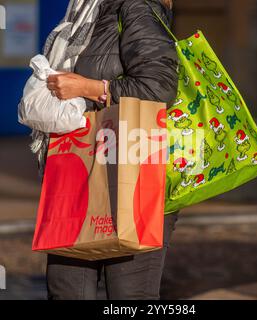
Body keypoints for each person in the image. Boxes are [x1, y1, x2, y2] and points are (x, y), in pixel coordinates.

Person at [44, 0, 179, 300]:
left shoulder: (136, 6)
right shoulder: (81, 12)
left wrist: (87, 88)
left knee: (128, 297)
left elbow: (159, 87)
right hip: (78, 169)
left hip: (133, 171)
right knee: (65, 291)